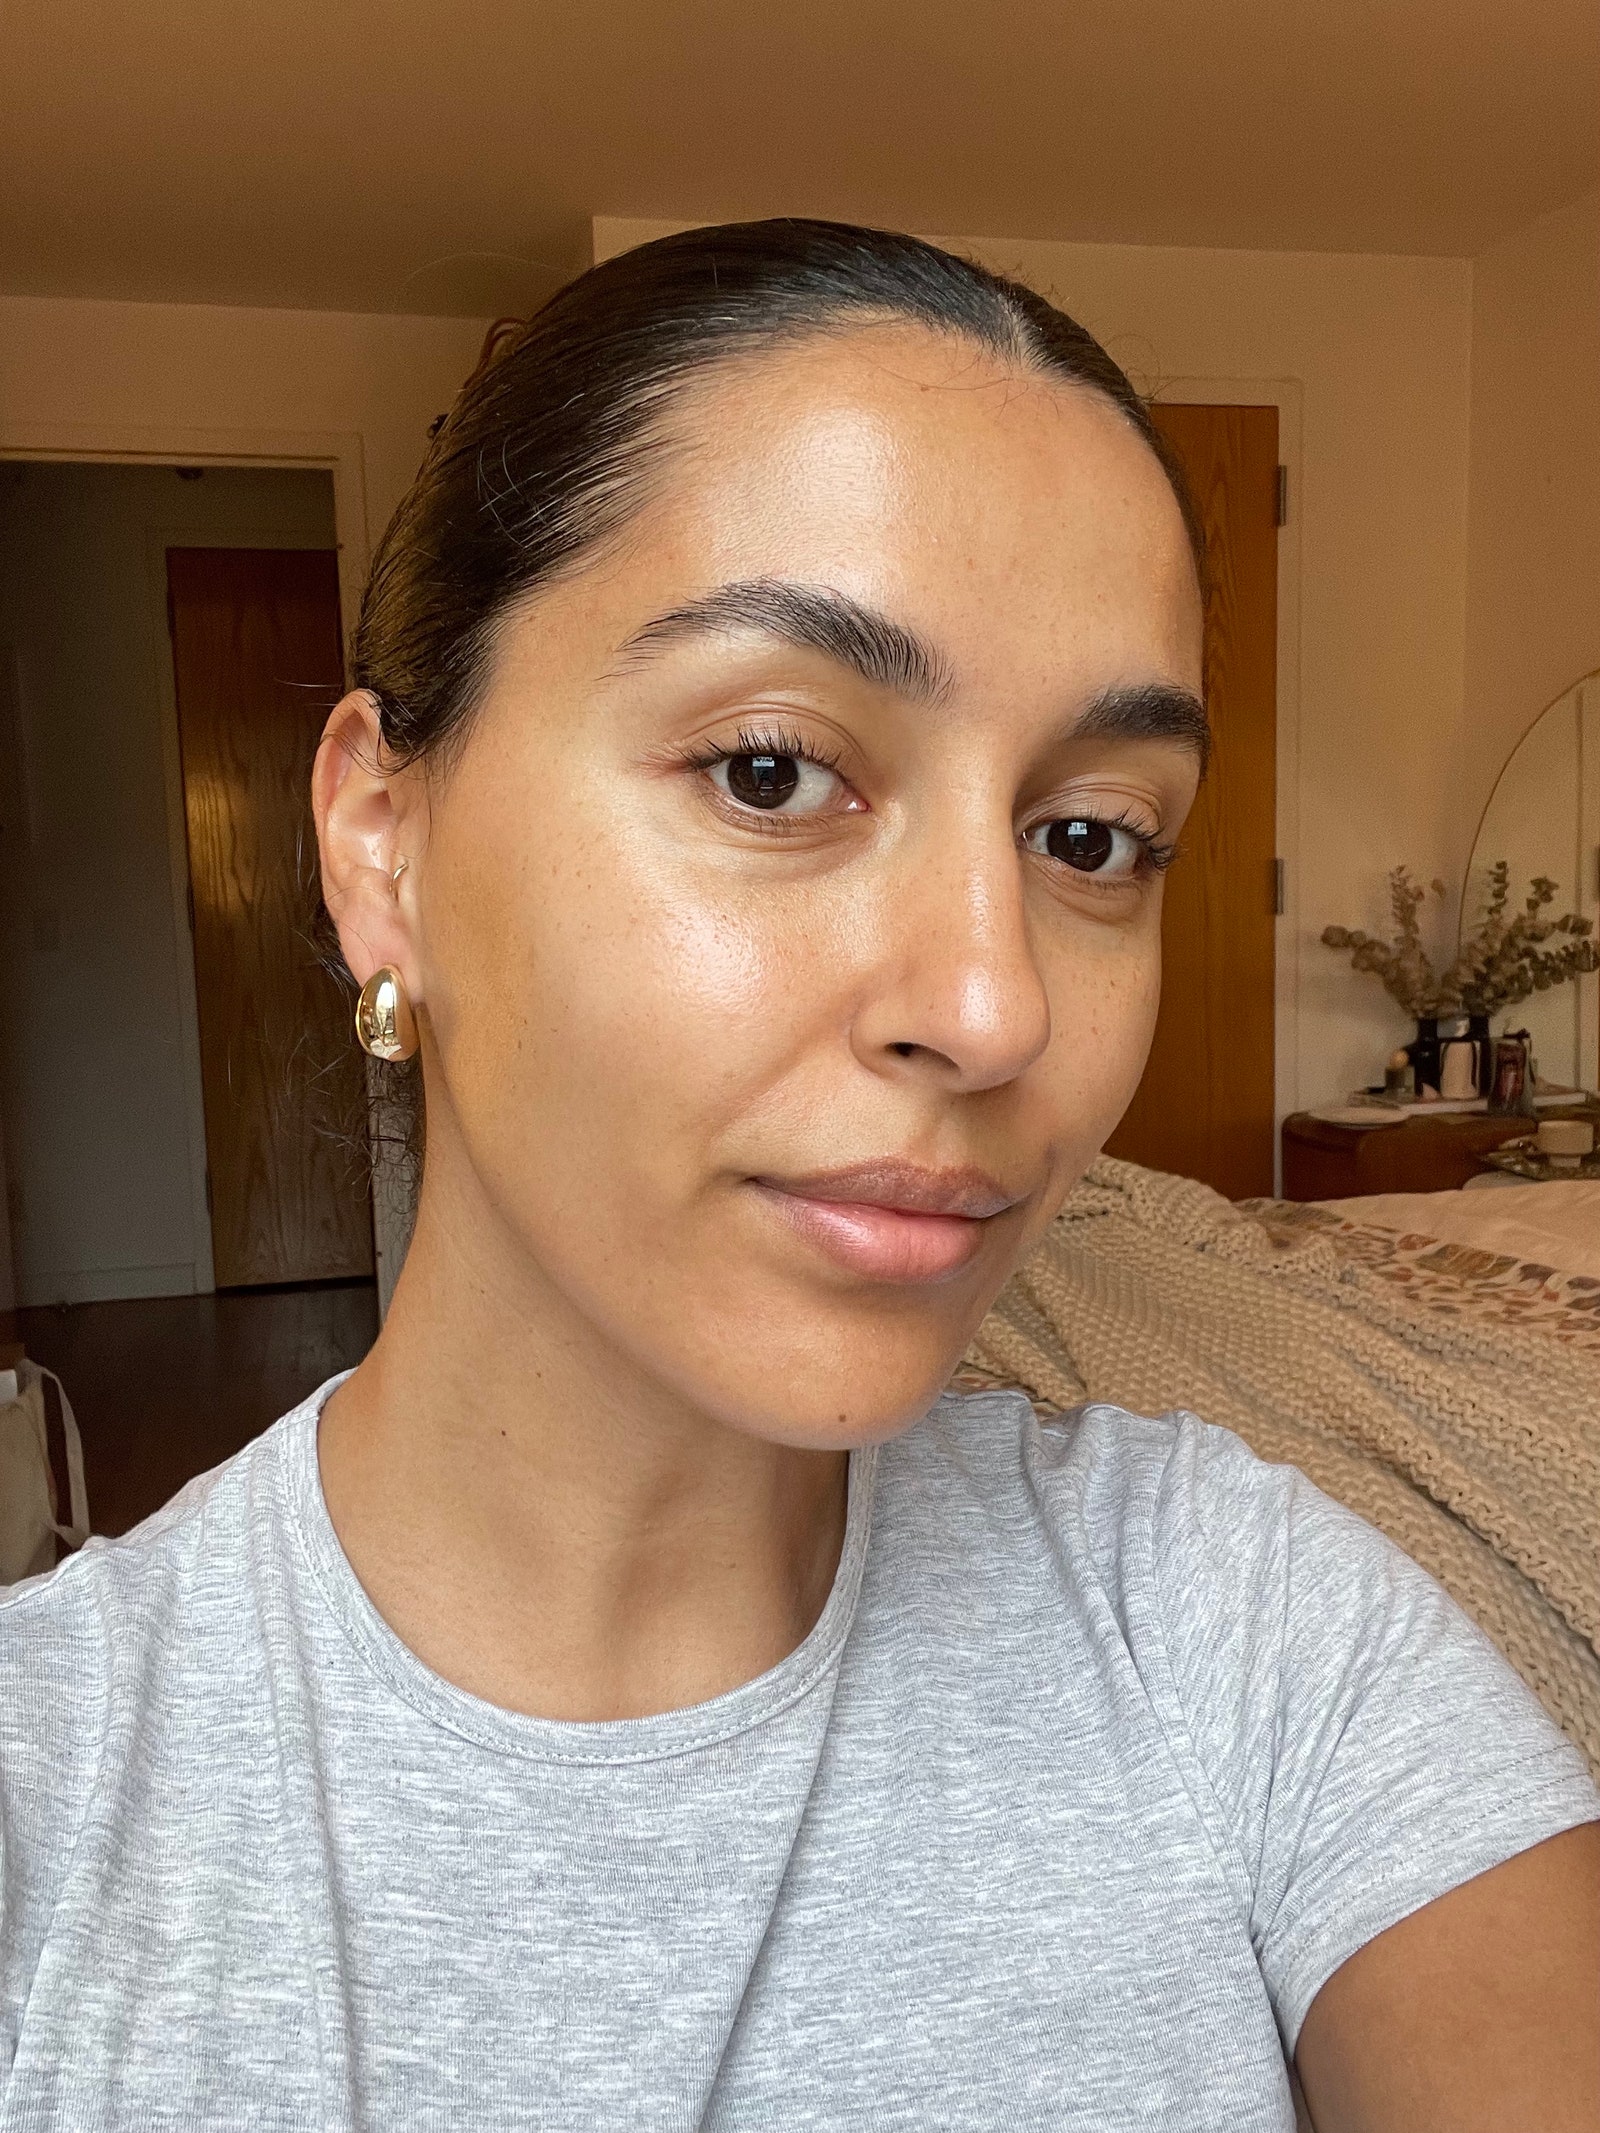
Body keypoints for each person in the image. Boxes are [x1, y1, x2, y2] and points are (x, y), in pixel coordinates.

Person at [1, 220, 1595, 2133]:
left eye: (1093, 834)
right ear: (379, 840)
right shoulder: (59, 1792)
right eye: (772, 773)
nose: (997, 1005)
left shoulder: (1247, 1616)